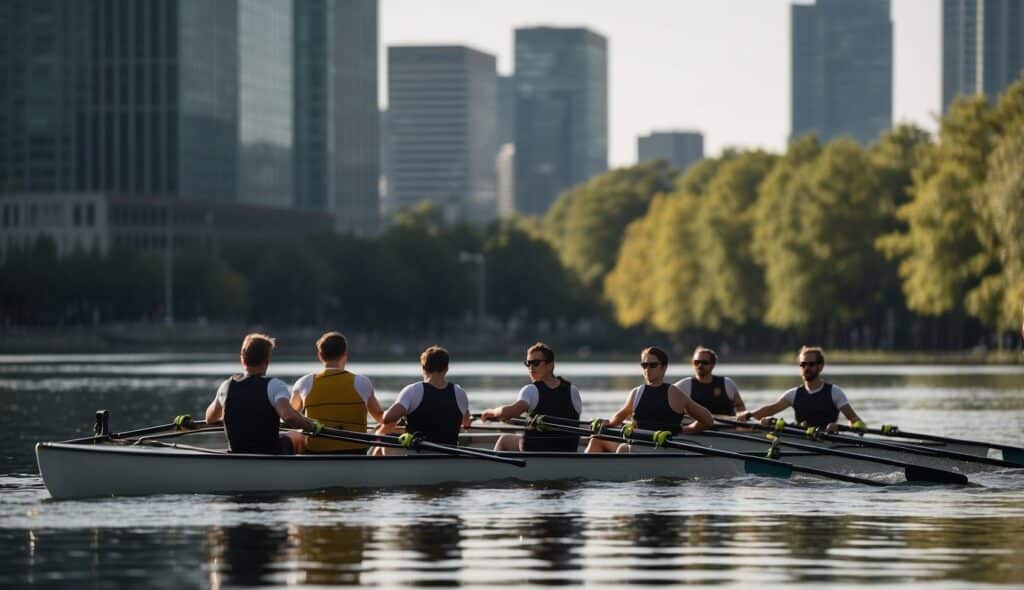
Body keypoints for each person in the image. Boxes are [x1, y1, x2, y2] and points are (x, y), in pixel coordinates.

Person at [205, 333, 321, 454]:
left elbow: (209, 418)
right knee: (297, 436)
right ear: (267, 361)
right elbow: (289, 416)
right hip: (270, 454)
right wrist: (312, 427)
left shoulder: (226, 387)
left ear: (242, 359)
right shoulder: (274, 385)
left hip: (237, 453)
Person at [585, 346, 714, 453]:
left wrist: (687, 430)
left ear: (663, 368)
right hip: (639, 446)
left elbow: (707, 420)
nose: (647, 369)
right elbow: (619, 417)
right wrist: (607, 423)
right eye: (644, 365)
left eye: (652, 365)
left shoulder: (674, 393)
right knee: (596, 439)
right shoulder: (636, 392)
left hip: (662, 448)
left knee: (623, 448)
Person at [290, 331, 384, 454]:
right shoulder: (362, 382)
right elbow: (381, 418)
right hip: (355, 451)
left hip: (316, 452)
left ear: (320, 355)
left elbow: (290, 417)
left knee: (294, 435)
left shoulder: (303, 383)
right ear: (345, 354)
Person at [480, 342, 582, 452]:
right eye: (528, 363)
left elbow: (510, 412)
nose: (531, 367)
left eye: (536, 363)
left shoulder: (530, 390)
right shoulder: (572, 390)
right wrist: (512, 420)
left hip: (535, 451)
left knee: (504, 440)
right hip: (567, 451)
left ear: (550, 365)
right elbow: (558, 416)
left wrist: (492, 412)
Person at [736, 346, 864, 432]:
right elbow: (770, 409)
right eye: (803, 364)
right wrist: (747, 415)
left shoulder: (834, 392)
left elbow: (855, 421)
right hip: (802, 441)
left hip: (829, 442)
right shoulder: (794, 394)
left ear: (820, 366)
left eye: (811, 364)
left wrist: (840, 428)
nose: (806, 368)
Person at [374, 345, 470, 455]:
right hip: (449, 456)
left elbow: (387, 418)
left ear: (423, 367)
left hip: (417, 456)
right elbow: (466, 423)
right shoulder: (460, 393)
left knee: (382, 434)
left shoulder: (413, 391)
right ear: (446, 368)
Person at [673, 346, 746, 416]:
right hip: (695, 428)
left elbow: (740, 406)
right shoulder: (685, 385)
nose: (700, 365)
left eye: (704, 362)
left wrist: (741, 422)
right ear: (692, 364)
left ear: (713, 364)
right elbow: (665, 395)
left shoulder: (727, 383)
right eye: (696, 362)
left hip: (726, 427)